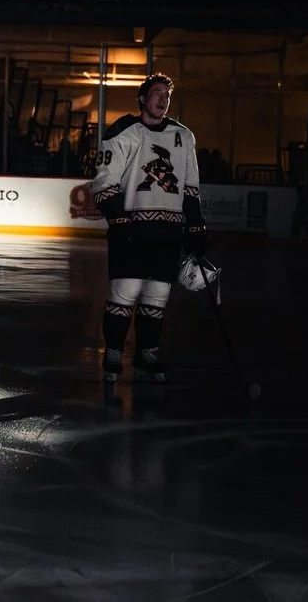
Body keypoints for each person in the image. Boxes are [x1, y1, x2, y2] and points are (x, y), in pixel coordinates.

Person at [91, 72, 206, 384]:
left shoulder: (184, 136)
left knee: (156, 296)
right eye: (156, 92)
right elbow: (103, 179)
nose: (162, 98)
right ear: (142, 98)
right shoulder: (124, 131)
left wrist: (196, 226)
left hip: (167, 233)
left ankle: (147, 355)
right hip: (131, 229)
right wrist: (118, 218)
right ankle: (114, 352)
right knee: (124, 293)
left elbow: (190, 186)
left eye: (166, 94)